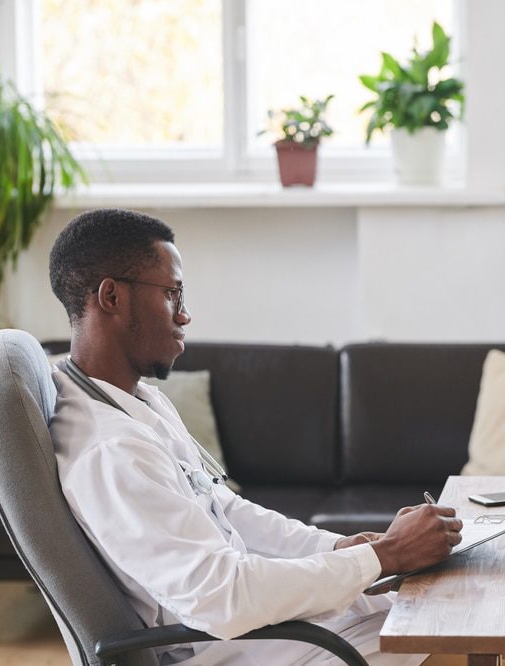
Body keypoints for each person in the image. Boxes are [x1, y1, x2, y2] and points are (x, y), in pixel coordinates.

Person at [47, 208, 463, 666]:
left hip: (257, 626)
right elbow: (223, 599)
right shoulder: (113, 451)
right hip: (228, 645)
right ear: (110, 297)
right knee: (452, 639)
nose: (185, 315)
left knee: (444, 605)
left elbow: (225, 510)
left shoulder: (135, 401)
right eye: (172, 294)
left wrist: (344, 549)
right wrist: (385, 556)